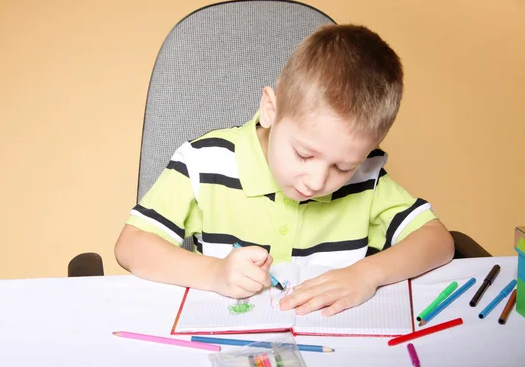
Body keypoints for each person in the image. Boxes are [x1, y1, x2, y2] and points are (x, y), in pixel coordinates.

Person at [114, 24, 454, 317]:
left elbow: (438, 241)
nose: (318, 181)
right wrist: (215, 272)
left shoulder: (366, 178)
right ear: (270, 110)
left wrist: (367, 275)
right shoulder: (205, 162)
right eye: (304, 154)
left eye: (342, 166)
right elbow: (131, 246)